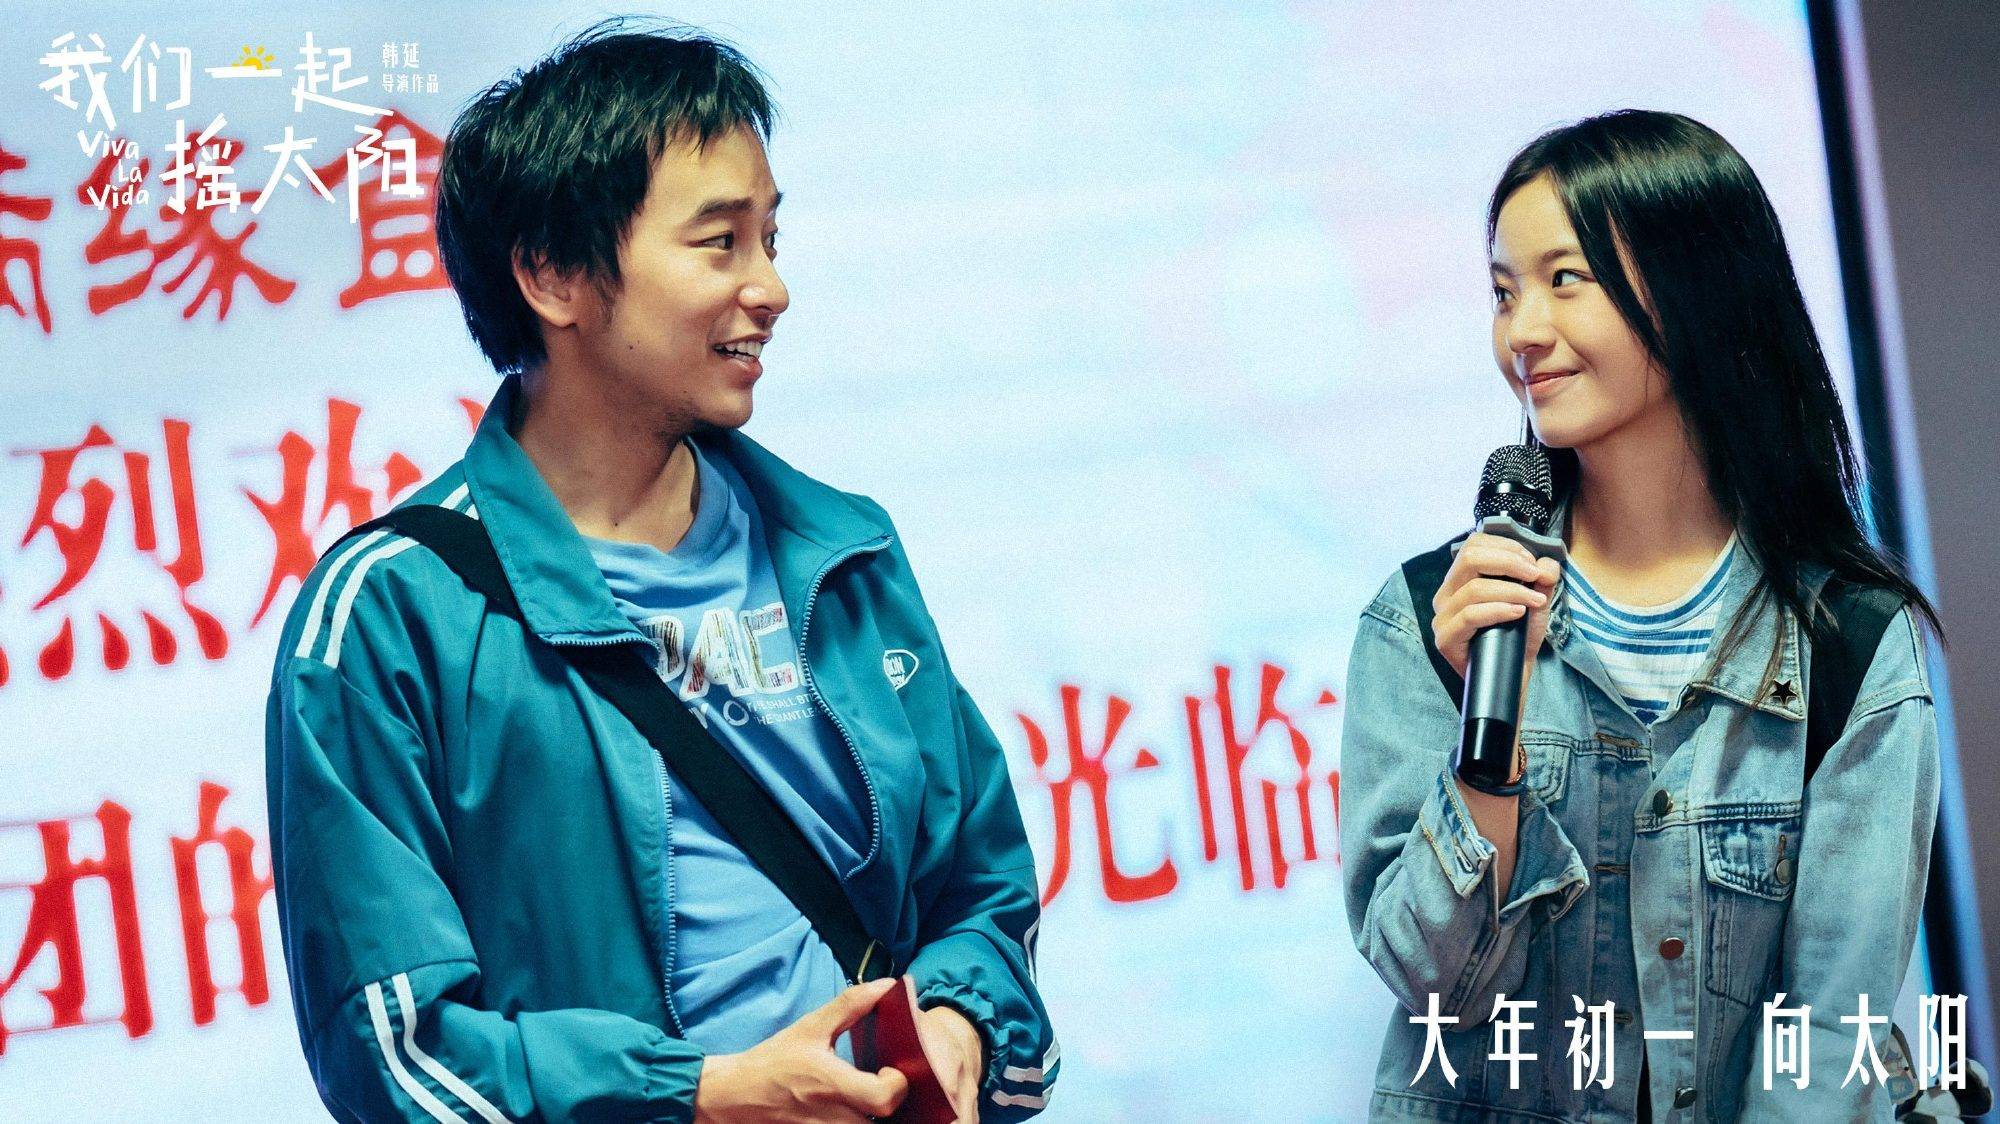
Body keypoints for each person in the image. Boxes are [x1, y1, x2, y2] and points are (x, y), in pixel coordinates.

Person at [266, 19, 1057, 1123]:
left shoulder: (841, 550)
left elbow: (982, 890)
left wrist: (959, 1025)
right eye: (719, 242)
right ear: (552, 274)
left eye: (771, 236)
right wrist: (702, 1095)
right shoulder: (394, 612)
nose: (770, 288)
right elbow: (394, 1056)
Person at [1339, 109, 1945, 1120]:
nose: (1521, 332)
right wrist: (1486, 760)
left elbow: (1826, 1032)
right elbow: (1428, 981)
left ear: (1696, 289)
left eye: (1564, 279)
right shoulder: (1434, 621)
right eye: (1503, 292)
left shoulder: (1847, 641)